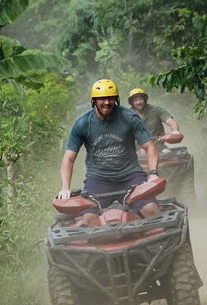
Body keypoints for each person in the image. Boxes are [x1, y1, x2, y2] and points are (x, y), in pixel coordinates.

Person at [57, 79, 162, 225]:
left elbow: (150, 147)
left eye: (110, 98)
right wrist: (65, 188)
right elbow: (68, 159)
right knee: (88, 219)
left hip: (131, 176)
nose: (107, 102)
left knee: (151, 210)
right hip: (98, 179)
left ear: (116, 99)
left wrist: (153, 174)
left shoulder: (129, 117)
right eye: (102, 98)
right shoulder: (82, 123)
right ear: (94, 100)